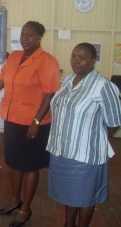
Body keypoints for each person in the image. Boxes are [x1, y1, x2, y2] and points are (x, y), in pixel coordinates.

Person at [0, 21, 60, 227]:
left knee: (30, 166)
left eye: (30, 35)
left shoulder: (47, 61)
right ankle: (15, 201)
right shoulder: (15, 57)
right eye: (23, 34)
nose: (25, 38)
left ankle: (26, 209)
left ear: (39, 37)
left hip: (34, 123)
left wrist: (36, 121)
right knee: (14, 163)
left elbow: (49, 93)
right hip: (12, 119)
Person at [46, 43, 121, 227]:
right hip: (61, 150)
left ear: (93, 60)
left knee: (86, 196)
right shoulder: (66, 82)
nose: (76, 61)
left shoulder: (103, 86)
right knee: (69, 194)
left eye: (82, 57)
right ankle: (69, 223)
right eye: (73, 56)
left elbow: (114, 121)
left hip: (85, 155)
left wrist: (95, 138)